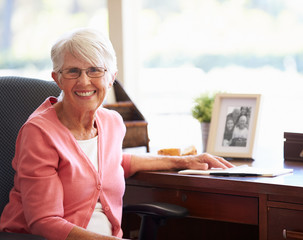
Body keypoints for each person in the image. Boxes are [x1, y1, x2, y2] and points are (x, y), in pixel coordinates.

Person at [0, 28, 234, 240]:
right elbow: (44, 222)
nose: (84, 81)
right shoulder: (39, 133)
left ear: (111, 77)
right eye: (72, 71)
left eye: (94, 70)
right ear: (57, 78)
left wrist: (183, 161)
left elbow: (111, 163)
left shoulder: (111, 122)